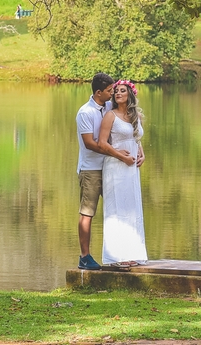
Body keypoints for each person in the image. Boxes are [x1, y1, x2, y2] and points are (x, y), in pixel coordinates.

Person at [76, 72, 134, 270]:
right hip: (91, 169)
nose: (112, 93)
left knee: (116, 210)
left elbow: (127, 121)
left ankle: (120, 253)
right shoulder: (85, 113)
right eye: (109, 91)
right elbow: (90, 144)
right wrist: (119, 154)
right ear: (98, 92)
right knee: (87, 213)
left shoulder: (108, 106)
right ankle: (85, 257)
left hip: (111, 168)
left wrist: (137, 149)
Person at [98, 79, 148, 265]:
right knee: (116, 209)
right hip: (115, 167)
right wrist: (121, 156)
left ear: (130, 95)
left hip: (131, 169)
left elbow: (136, 138)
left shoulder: (136, 117)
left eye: (122, 91)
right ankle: (117, 256)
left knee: (131, 208)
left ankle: (132, 252)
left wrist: (141, 154)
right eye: (116, 91)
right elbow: (102, 143)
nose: (118, 93)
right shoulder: (110, 116)